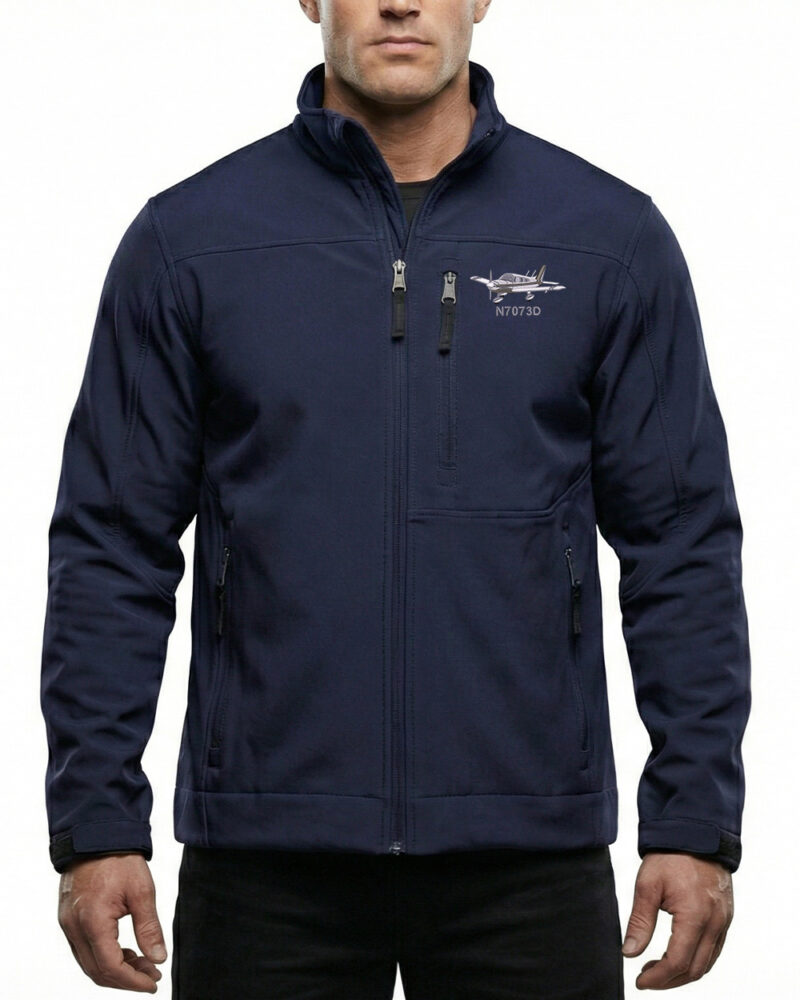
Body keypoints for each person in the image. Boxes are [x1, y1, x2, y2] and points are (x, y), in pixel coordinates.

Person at [41, 0, 751, 996]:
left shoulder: (606, 240)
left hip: (528, 859)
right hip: (266, 861)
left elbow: (680, 543)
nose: (400, 2)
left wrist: (692, 816)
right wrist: (97, 822)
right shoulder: (189, 241)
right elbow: (112, 546)